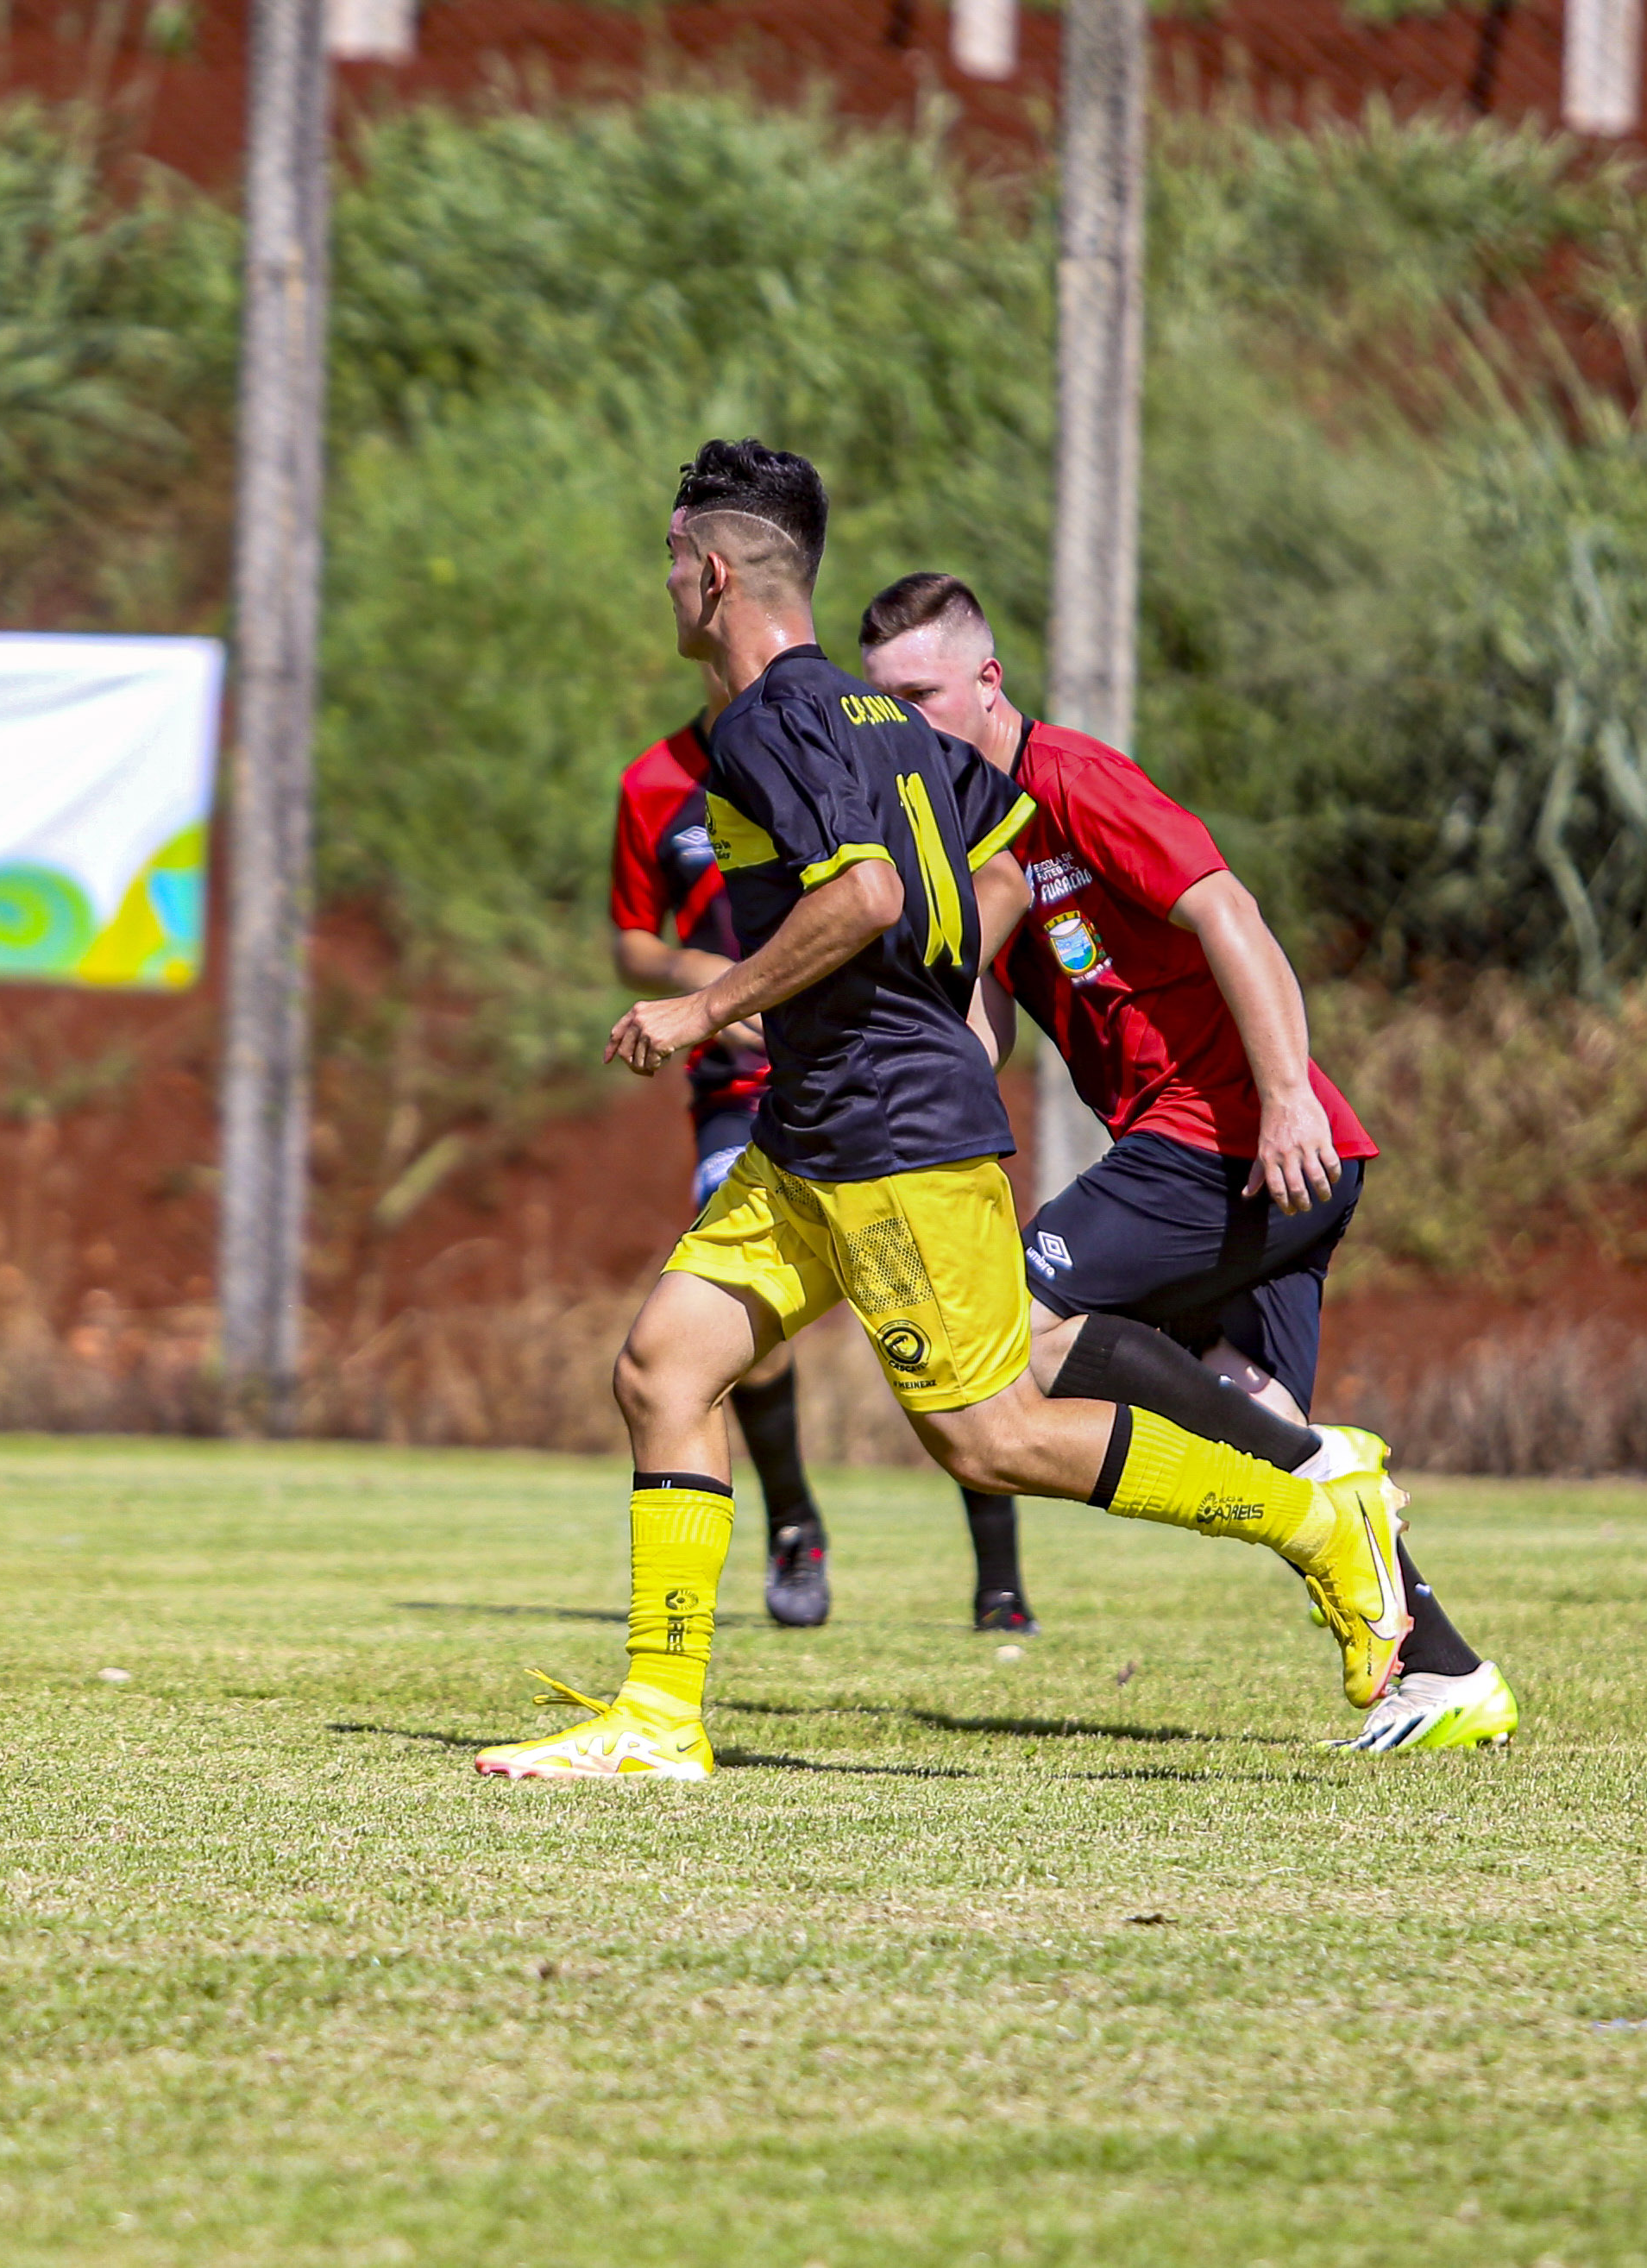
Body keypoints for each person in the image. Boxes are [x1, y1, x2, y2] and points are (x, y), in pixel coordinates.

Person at [476, 440, 1408, 1783]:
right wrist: (920, 999)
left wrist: (707, 1003)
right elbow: (998, 844)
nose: (664, 584)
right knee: (663, 1368)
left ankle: (1315, 1515)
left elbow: (862, 894)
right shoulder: (881, 722)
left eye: (672, 560)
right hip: (817, 1127)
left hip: (889, 1137)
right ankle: (659, 1718)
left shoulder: (767, 723)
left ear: (714, 573)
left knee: (992, 1437)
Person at [855, 570, 1519, 1755]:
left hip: (1227, 1138)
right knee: (1252, 1423)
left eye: (922, 696)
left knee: (1018, 1330)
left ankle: (1322, 1471)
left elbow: (1229, 913)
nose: (904, 723)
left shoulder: (1073, 780)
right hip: (1226, 1157)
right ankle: (1447, 1673)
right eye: (883, 703)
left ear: (988, 682)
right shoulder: (967, 834)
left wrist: (1284, 1099)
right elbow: (985, 1022)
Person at [610, 674, 1034, 1631]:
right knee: (690, 1342)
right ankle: (790, 1527)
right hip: (741, 1099)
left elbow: (916, 886)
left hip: (882, 1091)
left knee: (973, 1388)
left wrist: (937, 1002)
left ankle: (1002, 1581)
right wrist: (695, 980)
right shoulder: (654, 782)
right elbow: (631, 939)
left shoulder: (839, 734)